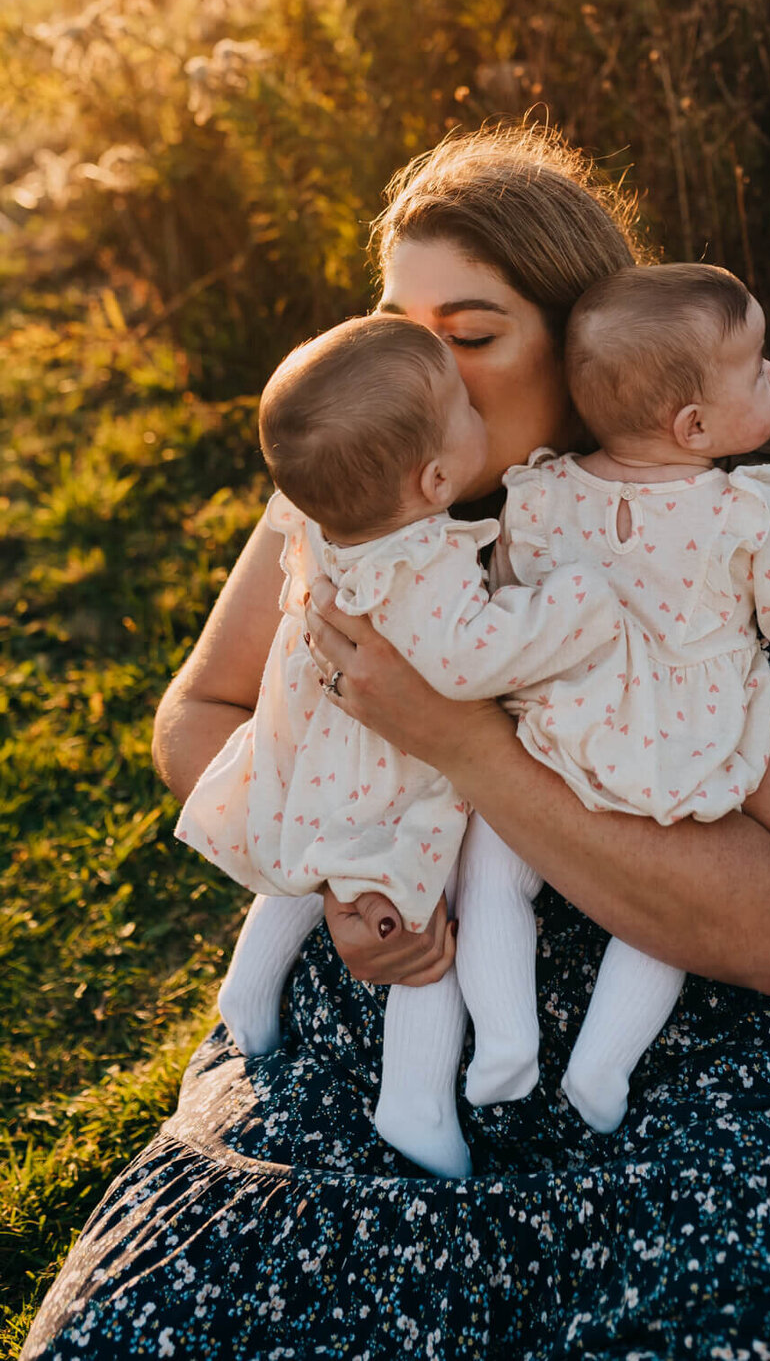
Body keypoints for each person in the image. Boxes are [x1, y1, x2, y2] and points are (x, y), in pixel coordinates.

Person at [22, 124, 770, 1360]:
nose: (415, 365)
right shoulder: (355, 493)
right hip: (394, 991)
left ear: (584, 343)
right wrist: (348, 874)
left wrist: (467, 748)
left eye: (469, 335)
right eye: (395, 322)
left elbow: (769, 925)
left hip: (696, 1033)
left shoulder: (745, 530)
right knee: (143, 1331)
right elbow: (197, 716)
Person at [459, 261, 770, 1135]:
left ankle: (504, 1039)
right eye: (758, 367)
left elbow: (507, 601)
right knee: (662, 919)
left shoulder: (543, 493)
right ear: (695, 423)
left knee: (493, 873)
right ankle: (602, 1065)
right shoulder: (751, 515)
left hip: (557, 732)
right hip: (678, 748)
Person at [174, 313, 623, 1176]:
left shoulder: (328, 521)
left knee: (312, 857)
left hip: (322, 756)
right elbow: (474, 655)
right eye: (453, 396)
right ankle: (414, 1102)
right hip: (400, 775)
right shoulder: (425, 561)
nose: (465, 393)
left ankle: (248, 989)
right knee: (420, 931)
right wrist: (577, 606)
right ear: (435, 476)